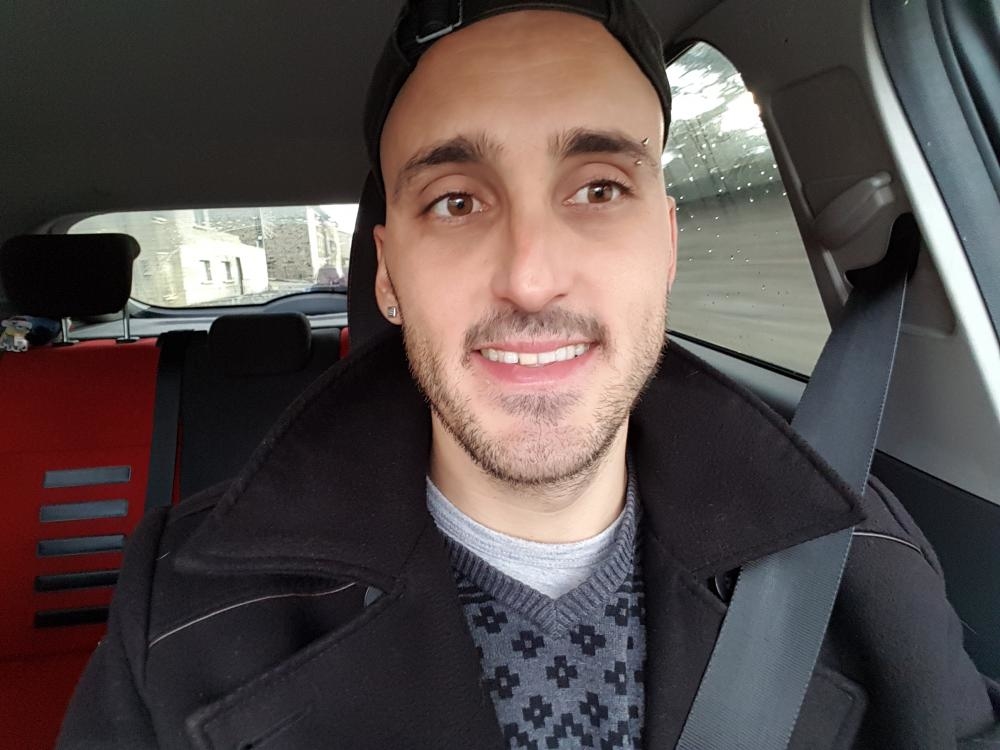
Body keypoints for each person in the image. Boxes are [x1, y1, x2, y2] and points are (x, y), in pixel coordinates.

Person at [59, 1, 999, 748]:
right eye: (455, 201)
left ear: (667, 244)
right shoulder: (179, 614)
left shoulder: (861, 560)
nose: (531, 276)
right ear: (387, 276)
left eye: (599, 188)